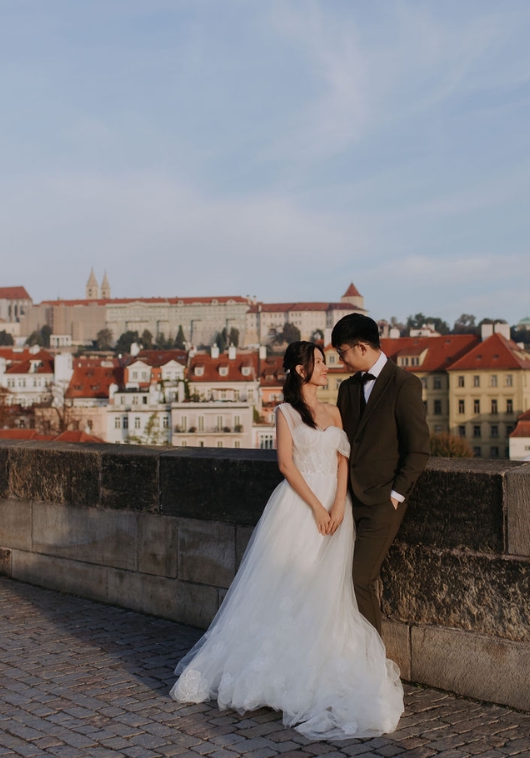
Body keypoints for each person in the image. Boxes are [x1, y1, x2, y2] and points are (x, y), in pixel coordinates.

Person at [171, 341, 403, 740]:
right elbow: (285, 464)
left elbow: (343, 460)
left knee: (326, 589)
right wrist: (316, 506)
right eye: (319, 363)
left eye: (327, 361)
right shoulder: (286, 412)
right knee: (287, 587)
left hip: (336, 504)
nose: (327, 368)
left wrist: (338, 506)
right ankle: (274, 670)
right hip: (299, 506)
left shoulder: (335, 411)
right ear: (300, 370)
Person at [332, 313, 430, 632]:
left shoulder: (404, 384)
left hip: (382, 502)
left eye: (342, 352)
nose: (340, 359)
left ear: (361, 347)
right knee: (336, 577)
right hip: (349, 499)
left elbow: (418, 449)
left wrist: (395, 496)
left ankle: (372, 662)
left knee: (360, 578)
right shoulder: (347, 388)